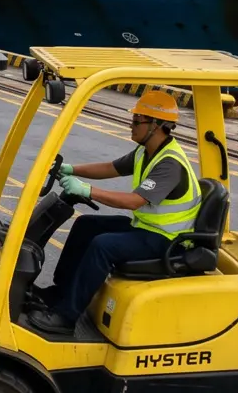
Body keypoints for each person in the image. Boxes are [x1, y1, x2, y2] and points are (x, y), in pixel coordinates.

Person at [28, 91, 202, 334]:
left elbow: (133, 201)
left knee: (103, 245)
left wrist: (87, 190)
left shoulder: (169, 163)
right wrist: (71, 169)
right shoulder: (146, 151)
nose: (131, 125)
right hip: (147, 229)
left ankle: (66, 318)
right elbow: (111, 168)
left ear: (157, 125)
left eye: (137, 121)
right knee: (85, 225)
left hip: (168, 241)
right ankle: (61, 293)